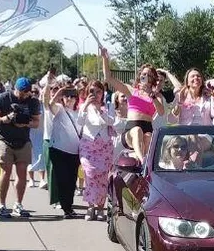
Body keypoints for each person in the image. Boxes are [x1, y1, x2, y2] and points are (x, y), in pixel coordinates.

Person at [0, 77, 42, 219]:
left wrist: (26, 123)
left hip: (23, 140)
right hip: (5, 140)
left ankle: (18, 204)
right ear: (15, 89)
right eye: (22, 92)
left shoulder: (33, 102)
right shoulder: (3, 98)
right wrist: (3, 119)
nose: (24, 95)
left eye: (27, 92)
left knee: (22, 172)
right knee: (5, 172)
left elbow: (36, 122)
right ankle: (2, 205)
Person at [101, 47, 164, 161]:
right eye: (143, 74)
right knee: (137, 131)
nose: (145, 77)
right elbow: (108, 78)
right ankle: (142, 161)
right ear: (140, 76)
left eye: (149, 75)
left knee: (148, 136)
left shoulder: (156, 95)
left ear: (153, 78)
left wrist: (152, 95)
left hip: (147, 129)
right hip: (131, 130)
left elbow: (161, 112)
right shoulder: (131, 90)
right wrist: (105, 59)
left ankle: (142, 165)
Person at [42, 74, 82, 218]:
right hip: (59, 150)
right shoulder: (59, 109)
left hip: (74, 152)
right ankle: (66, 208)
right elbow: (48, 103)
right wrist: (60, 92)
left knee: (71, 181)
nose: (69, 99)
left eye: (72, 96)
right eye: (67, 96)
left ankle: (69, 206)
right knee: (62, 179)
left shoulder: (79, 113)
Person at [79, 80, 115, 221]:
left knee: (101, 178)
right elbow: (80, 122)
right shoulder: (84, 107)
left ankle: (100, 207)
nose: (95, 94)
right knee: (89, 174)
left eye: (98, 91)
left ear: (103, 93)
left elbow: (111, 121)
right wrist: (87, 104)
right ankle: (90, 207)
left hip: (105, 147)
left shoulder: (108, 106)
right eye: (92, 91)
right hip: (88, 146)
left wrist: (101, 110)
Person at [27, 85, 47, 189]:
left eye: (36, 92)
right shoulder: (27, 105)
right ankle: (31, 179)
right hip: (29, 134)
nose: (34, 94)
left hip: (41, 134)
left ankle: (42, 179)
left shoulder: (42, 105)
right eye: (32, 92)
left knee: (41, 157)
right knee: (30, 157)